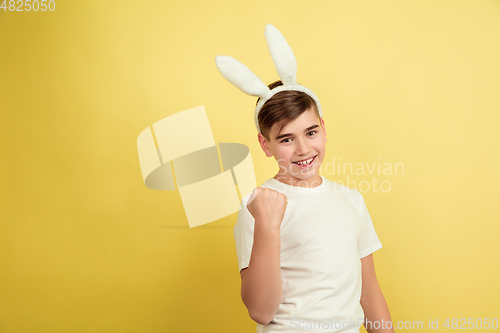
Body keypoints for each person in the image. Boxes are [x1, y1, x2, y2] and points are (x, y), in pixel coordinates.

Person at [216, 24, 394, 333]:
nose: (303, 149)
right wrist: (268, 225)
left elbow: (369, 293)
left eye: (311, 132)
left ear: (323, 127)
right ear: (265, 145)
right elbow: (260, 310)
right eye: (286, 139)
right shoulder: (259, 206)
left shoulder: (351, 200)